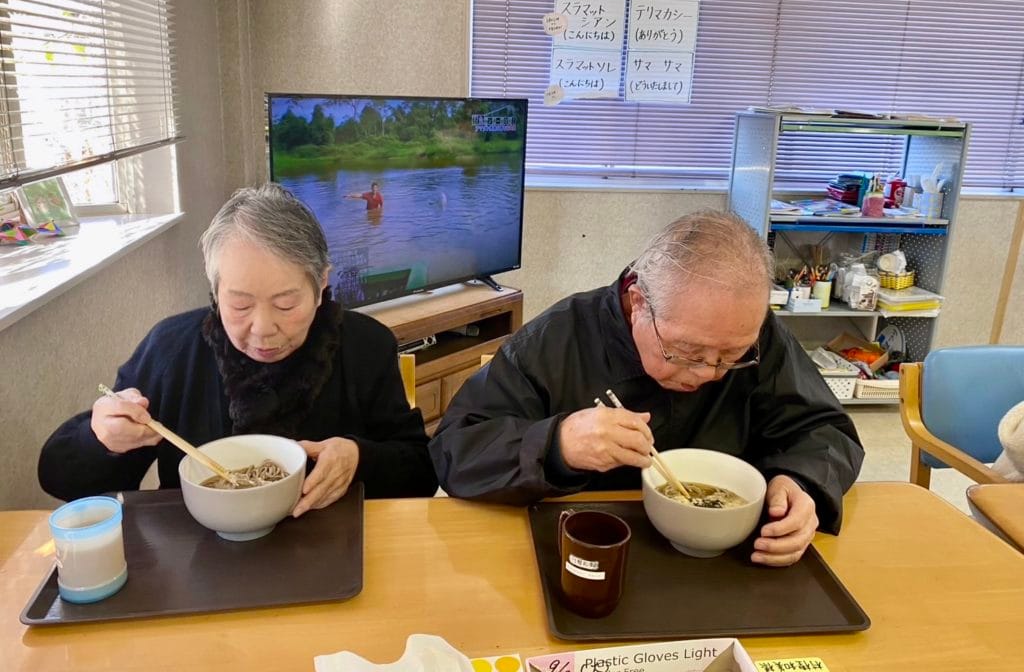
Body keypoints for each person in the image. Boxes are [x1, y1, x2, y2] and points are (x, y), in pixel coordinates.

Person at [429, 210, 864, 566]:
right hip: (579, 549)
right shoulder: (557, 340)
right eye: (688, 351)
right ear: (638, 303)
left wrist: (801, 484)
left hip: (728, 562)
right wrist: (557, 443)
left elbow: (825, 430)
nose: (709, 372)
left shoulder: (755, 336)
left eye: (731, 355)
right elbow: (456, 450)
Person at [39, 183, 437, 511]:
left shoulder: (365, 345)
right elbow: (60, 478)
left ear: (321, 286)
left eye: (286, 304)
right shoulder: (171, 351)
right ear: (215, 290)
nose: (262, 329)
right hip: (200, 560)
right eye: (240, 304)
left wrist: (358, 459)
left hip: (333, 556)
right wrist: (102, 439)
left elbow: (421, 472)